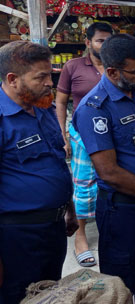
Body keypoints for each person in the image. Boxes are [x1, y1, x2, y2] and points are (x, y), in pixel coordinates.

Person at [73, 34, 135, 303]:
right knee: (120, 284)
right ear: (111, 71)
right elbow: (108, 172)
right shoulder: (94, 108)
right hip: (122, 210)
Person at [0, 41, 78, 303]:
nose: (49, 82)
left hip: (54, 228)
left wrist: (69, 209)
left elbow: (56, 163)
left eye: (50, 75)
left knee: (50, 293)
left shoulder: (43, 108)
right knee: (18, 295)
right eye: (40, 77)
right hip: (17, 235)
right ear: (12, 79)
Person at [55, 21, 113, 268]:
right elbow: (60, 102)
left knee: (110, 182)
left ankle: (109, 232)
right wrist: (62, 135)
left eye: (108, 40)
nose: (104, 45)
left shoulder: (115, 65)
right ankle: (81, 238)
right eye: (100, 40)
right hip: (81, 133)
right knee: (83, 185)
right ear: (88, 42)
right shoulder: (73, 66)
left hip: (111, 134)